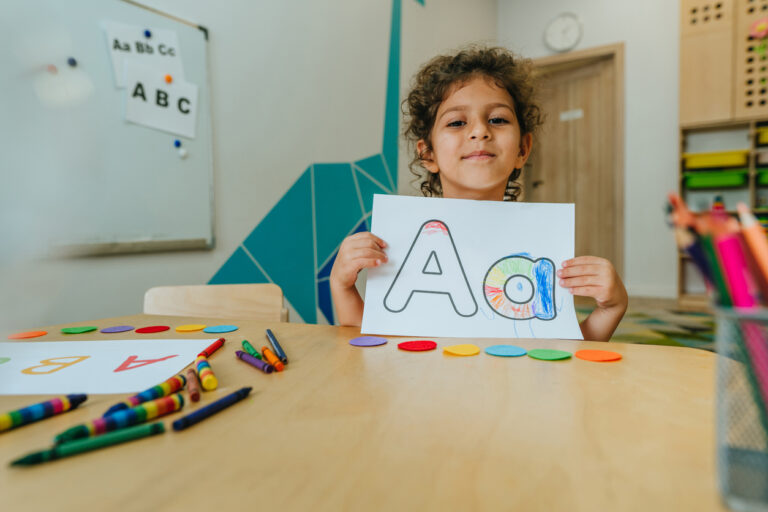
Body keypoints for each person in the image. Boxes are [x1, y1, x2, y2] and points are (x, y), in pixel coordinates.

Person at [330, 46, 627, 341]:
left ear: (523, 149)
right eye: (457, 122)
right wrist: (342, 286)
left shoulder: (539, 247)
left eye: (497, 119)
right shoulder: (405, 244)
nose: (479, 132)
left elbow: (561, 353)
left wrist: (611, 308)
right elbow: (369, 344)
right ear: (428, 154)